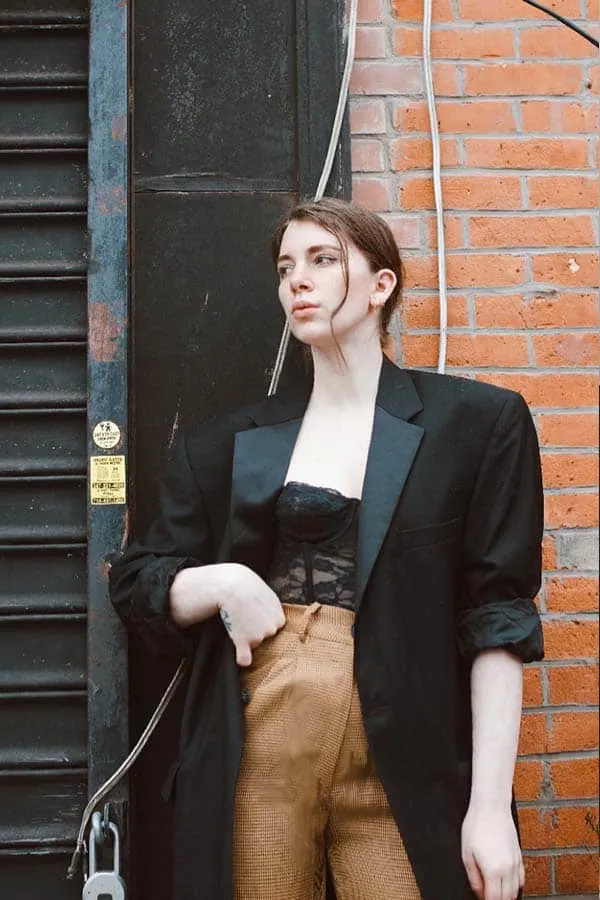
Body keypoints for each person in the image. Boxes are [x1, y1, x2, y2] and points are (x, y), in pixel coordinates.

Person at [109, 198, 544, 900]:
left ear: (380, 285)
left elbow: (499, 618)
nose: (297, 282)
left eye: (323, 260)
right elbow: (137, 581)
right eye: (286, 268)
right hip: (262, 755)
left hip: (408, 761)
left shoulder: (477, 424)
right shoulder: (226, 444)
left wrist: (490, 809)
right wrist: (224, 583)